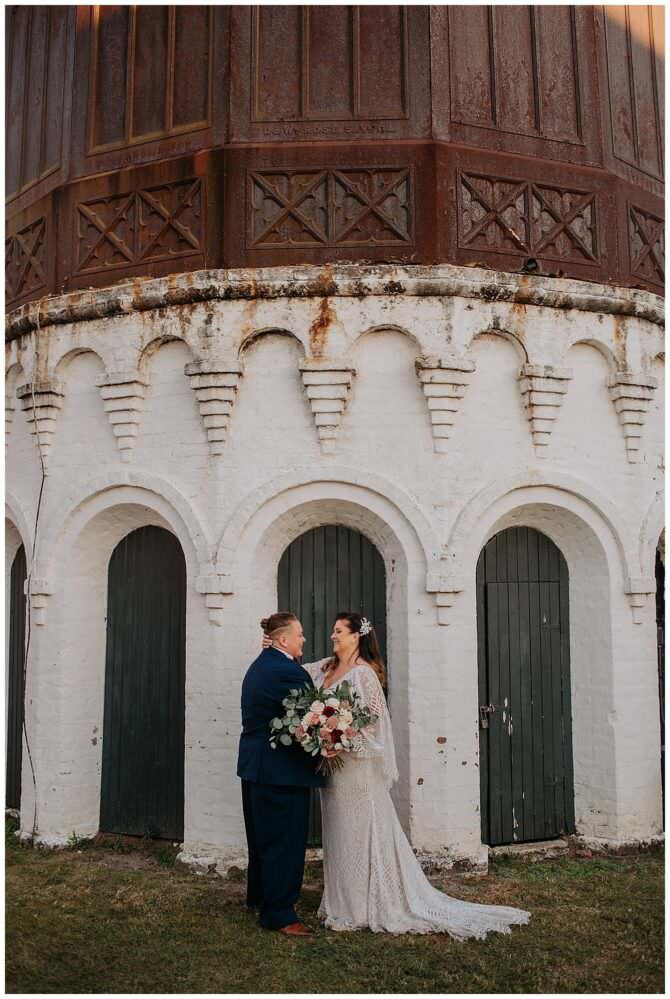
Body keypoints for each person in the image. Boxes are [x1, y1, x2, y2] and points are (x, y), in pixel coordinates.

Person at [263, 611, 530, 938]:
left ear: (354, 636)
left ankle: (365, 905)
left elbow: (375, 724)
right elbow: (294, 669)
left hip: (356, 771)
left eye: (338, 631)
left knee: (360, 834)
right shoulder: (327, 668)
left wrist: (340, 740)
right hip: (330, 773)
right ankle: (341, 901)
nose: (332, 636)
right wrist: (272, 644)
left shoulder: (364, 676)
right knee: (339, 835)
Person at [237, 612, 325, 937]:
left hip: (256, 768)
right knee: (283, 844)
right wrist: (323, 751)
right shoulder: (288, 673)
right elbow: (304, 724)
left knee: (263, 841)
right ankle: (280, 914)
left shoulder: (262, 665)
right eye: (300, 634)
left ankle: (260, 898)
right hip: (280, 773)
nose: (304, 639)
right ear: (284, 639)